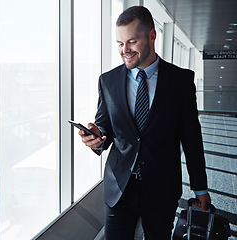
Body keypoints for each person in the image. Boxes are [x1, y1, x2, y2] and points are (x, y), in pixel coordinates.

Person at [78, 6, 211, 240]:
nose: (124, 50)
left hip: (161, 188)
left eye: (131, 42)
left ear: (151, 36)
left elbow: (191, 139)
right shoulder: (107, 81)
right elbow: (105, 128)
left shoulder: (180, 81)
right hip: (119, 188)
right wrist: (96, 138)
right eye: (119, 43)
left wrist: (200, 187)